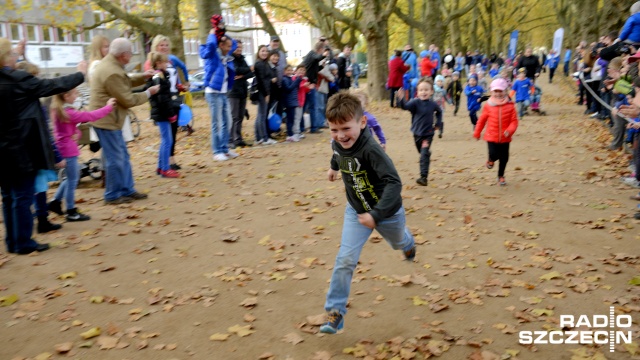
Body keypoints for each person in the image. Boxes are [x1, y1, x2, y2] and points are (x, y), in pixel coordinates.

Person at [320, 92, 416, 334]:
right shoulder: (337, 141)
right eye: (333, 129)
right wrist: (333, 169)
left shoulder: (372, 149)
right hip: (356, 212)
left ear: (362, 123)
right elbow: (337, 151)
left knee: (398, 242)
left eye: (345, 128)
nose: (340, 135)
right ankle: (336, 312)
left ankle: (407, 242)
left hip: (387, 214)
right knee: (345, 259)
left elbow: (394, 181)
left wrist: (377, 215)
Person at [0, 38, 87, 254]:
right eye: (12, 54)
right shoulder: (19, 80)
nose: (15, 56)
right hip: (20, 148)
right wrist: (80, 74)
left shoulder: (13, 79)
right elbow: (51, 85)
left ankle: (13, 241)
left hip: (3, 149)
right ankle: (23, 243)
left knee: (9, 195)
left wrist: (20, 53)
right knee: (22, 196)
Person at [90, 37, 159, 205]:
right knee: (115, 159)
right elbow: (127, 99)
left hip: (109, 120)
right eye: (130, 53)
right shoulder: (111, 71)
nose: (132, 56)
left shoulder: (111, 64)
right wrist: (149, 92)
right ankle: (112, 195)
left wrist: (143, 77)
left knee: (122, 156)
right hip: (107, 121)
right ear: (124, 55)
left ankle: (127, 189)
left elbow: (124, 80)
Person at [50, 89, 116, 220]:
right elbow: (90, 116)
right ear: (66, 96)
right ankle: (71, 211)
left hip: (65, 147)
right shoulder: (68, 112)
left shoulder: (59, 109)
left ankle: (55, 202)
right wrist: (108, 107)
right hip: (68, 150)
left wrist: (77, 134)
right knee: (73, 180)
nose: (77, 96)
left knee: (69, 178)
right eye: (74, 94)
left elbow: (70, 130)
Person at [14, 61, 63, 234]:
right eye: (35, 77)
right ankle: (41, 220)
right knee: (37, 188)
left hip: (23, 151)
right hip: (33, 152)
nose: (38, 81)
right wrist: (56, 156)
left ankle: (38, 219)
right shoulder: (34, 104)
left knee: (30, 190)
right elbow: (45, 133)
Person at [144, 35, 192, 169]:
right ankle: (164, 165)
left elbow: (175, 77)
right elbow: (151, 82)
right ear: (156, 47)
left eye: (166, 45)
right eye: (161, 45)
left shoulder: (171, 61)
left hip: (174, 97)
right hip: (162, 99)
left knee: (174, 130)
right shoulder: (151, 62)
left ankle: (171, 159)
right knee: (167, 133)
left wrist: (182, 85)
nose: (164, 47)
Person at [200, 18, 240, 161]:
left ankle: (224, 148)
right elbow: (210, 46)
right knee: (216, 122)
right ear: (221, 45)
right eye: (227, 46)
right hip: (212, 93)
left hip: (223, 93)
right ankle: (217, 151)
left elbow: (234, 44)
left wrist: (224, 33)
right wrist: (213, 33)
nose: (231, 48)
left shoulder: (226, 54)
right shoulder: (212, 54)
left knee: (227, 121)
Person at [396, 79, 443, 186]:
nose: (423, 92)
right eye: (421, 90)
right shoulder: (415, 102)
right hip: (417, 133)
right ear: (417, 91)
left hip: (428, 134)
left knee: (423, 154)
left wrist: (438, 124)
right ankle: (426, 153)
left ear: (431, 91)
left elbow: (439, 112)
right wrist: (401, 98)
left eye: (426, 90)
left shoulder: (433, 104)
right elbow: (405, 107)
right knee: (422, 152)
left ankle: (423, 177)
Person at [473, 78, 519, 186]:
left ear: (505, 91)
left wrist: (510, 130)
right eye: (495, 91)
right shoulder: (488, 105)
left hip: (505, 137)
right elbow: (482, 120)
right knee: (494, 154)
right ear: (491, 92)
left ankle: (501, 176)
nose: (498, 93)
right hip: (491, 136)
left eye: (501, 91)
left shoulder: (510, 105)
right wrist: (477, 132)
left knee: (504, 158)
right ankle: (490, 159)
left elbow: (514, 121)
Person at [145, 52, 181, 178]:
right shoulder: (158, 77)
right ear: (159, 63)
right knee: (167, 140)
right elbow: (162, 99)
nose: (167, 64)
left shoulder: (161, 75)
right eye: (165, 62)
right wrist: (171, 115)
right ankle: (165, 168)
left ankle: (161, 167)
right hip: (162, 113)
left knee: (165, 140)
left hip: (161, 112)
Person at [228, 40, 253, 148]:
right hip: (233, 91)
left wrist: (242, 75)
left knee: (240, 116)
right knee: (234, 116)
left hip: (243, 90)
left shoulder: (242, 58)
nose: (239, 49)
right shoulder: (230, 58)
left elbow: (251, 73)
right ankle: (230, 139)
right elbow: (235, 69)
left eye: (241, 47)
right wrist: (247, 69)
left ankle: (238, 138)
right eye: (237, 47)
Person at [253, 45, 278, 145]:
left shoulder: (264, 63)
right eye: (262, 51)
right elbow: (262, 80)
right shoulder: (259, 64)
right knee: (262, 115)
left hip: (264, 91)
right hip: (262, 92)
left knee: (260, 115)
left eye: (266, 51)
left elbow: (266, 79)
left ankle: (259, 137)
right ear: (258, 52)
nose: (264, 53)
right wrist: (266, 94)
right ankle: (264, 138)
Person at [302, 42, 326, 133]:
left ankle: (309, 127)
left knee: (307, 106)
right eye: (323, 50)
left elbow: (313, 67)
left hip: (310, 83)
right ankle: (313, 127)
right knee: (312, 106)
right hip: (309, 84)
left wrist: (320, 67)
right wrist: (324, 55)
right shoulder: (312, 54)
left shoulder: (312, 56)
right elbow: (317, 58)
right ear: (320, 49)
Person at [291, 66, 314, 141]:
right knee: (296, 118)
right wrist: (303, 85)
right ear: (296, 71)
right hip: (296, 101)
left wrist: (309, 87)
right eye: (300, 70)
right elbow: (295, 87)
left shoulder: (304, 80)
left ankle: (298, 132)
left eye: (303, 70)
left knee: (299, 117)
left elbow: (305, 91)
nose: (302, 71)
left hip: (301, 101)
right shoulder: (294, 78)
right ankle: (296, 133)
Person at [280, 65, 303, 142]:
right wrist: (297, 80)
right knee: (290, 119)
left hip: (293, 101)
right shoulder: (284, 79)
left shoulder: (291, 79)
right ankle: (290, 135)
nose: (289, 72)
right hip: (289, 102)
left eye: (291, 70)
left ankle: (291, 134)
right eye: (288, 70)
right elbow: (289, 88)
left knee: (292, 119)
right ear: (284, 71)